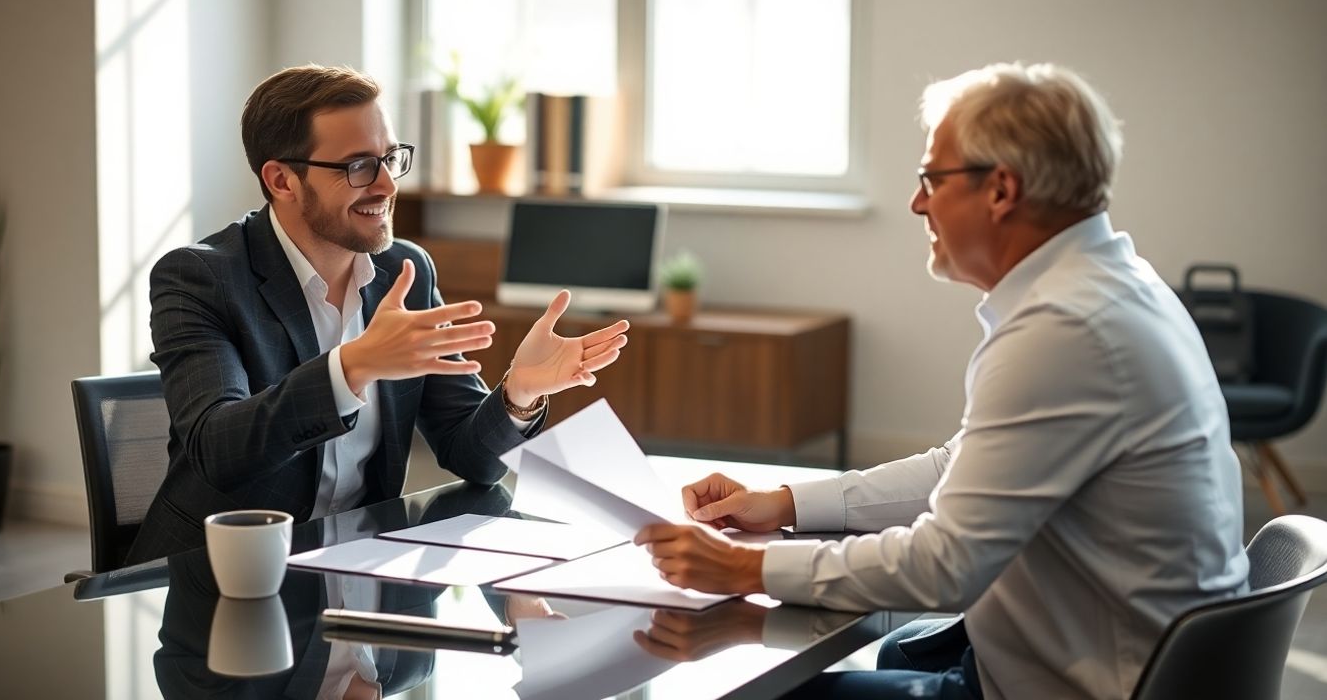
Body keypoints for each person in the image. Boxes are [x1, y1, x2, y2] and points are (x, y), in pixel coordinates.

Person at [634, 62, 1249, 700]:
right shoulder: (1112, 285)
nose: (916, 202)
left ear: (1001, 189)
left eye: (932, 178)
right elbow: (956, 470)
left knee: (769, 692)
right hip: (1126, 651)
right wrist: (786, 504)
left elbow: (946, 564)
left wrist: (744, 566)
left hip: (1098, 683)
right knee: (897, 645)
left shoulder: (1065, 330)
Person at [127, 64, 630, 565]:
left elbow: (471, 457)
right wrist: (353, 367)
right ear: (282, 180)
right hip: (221, 576)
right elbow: (219, 450)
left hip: (357, 563)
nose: (388, 185)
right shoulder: (199, 278)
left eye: (390, 158)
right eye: (359, 166)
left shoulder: (402, 270)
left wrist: (520, 392)